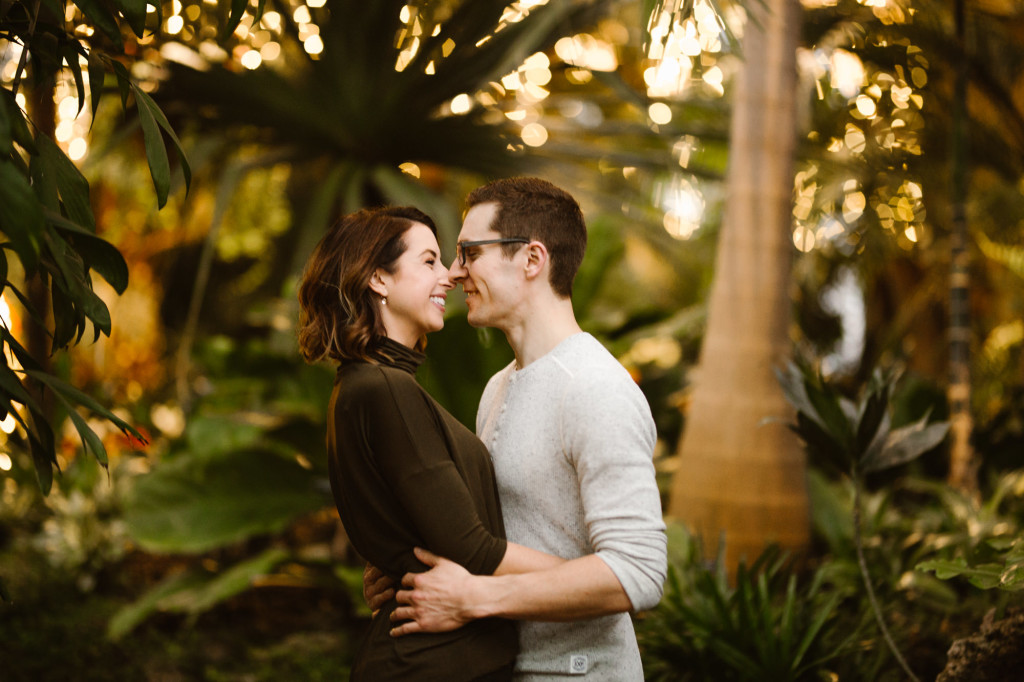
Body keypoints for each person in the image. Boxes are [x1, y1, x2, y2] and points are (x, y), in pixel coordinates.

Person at [380, 178, 668, 680]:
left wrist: (476, 598)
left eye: (470, 252)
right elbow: (494, 535)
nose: (454, 272)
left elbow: (638, 573)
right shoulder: (499, 387)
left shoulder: (595, 388)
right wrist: (407, 573)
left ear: (532, 260)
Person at [297, 206, 563, 682]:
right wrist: (592, 578)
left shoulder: (364, 385)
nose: (450, 276)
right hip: (432, 663)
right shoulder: (385, 390)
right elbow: (474, 550)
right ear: (379, 279)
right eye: (429, 262)